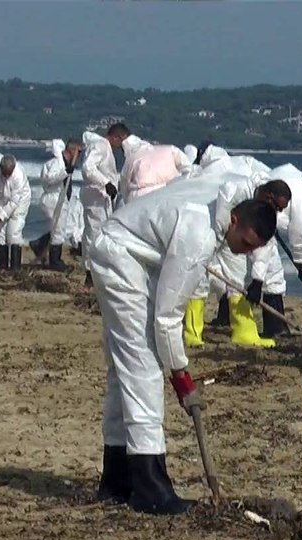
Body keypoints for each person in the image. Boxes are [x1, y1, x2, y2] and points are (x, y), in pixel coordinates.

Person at [91, 192, 277, 515]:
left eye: (252, 250)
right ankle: (151, 488)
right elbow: (167, 318)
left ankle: (117, 478)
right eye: (246, 244)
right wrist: (180, 374)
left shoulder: (214, 211)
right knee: (143, 365)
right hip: (120, 258)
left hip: (127, 253)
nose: (245, 252)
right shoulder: (199, 236)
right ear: (234, 220)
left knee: (123, 370)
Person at [182, 174, 290, 349]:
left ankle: (244, 331)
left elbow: (264, 246)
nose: (277, 212)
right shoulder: (237, 189)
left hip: (239, 240)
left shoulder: (266, 213)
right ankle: (192, 333)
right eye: (277, 207)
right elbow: (220, 217)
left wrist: (258, 279)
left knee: (240, 280)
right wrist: (213, 244)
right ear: (268, 196)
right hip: (215, 232)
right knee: (200, 279)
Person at [253, 163, 302, 339]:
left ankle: (275, 327)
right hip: (260, 222)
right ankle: (275, 329)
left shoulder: (298, 183)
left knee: (270, 273)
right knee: (272, 274)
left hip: (263, 221)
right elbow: (298, 235)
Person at [34, 138, 82, 272]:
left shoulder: (63, 163)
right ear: (72, 150)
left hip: (59, 198)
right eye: (79, 152)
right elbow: (50, 178)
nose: (80, 155)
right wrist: (66, 171)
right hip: (54, 199)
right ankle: (55, 261)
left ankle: (40, 245)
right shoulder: (57, 163)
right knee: (58, 231)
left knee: (59, 229)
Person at [79, 127, 122, 269]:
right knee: (95, 233)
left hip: (99, 196)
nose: (121, 146)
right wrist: (106, 183)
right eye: (121, 141)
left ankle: (95, 268)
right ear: (115, 137)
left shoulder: (102, 146)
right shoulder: (102, 145)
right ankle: (90, 271)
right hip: (97, 197)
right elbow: (88, 167)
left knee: (96, 232)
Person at [0, 154, 32, 271]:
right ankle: (2, 265)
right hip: (1, 199)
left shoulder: (18, 176)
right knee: (0, 233)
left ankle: (15, 267)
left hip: (20, 202)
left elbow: (13, 203)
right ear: (0, 168)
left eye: (9, 173)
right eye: (5, 173)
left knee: (13, 232)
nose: (7, 176)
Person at [120, 139, 192, 203]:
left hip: (140, 196)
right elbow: (187, 167)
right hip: (168, 190)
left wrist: (126, 200)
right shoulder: (170, 149)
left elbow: (124, 185)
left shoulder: (131, 159)